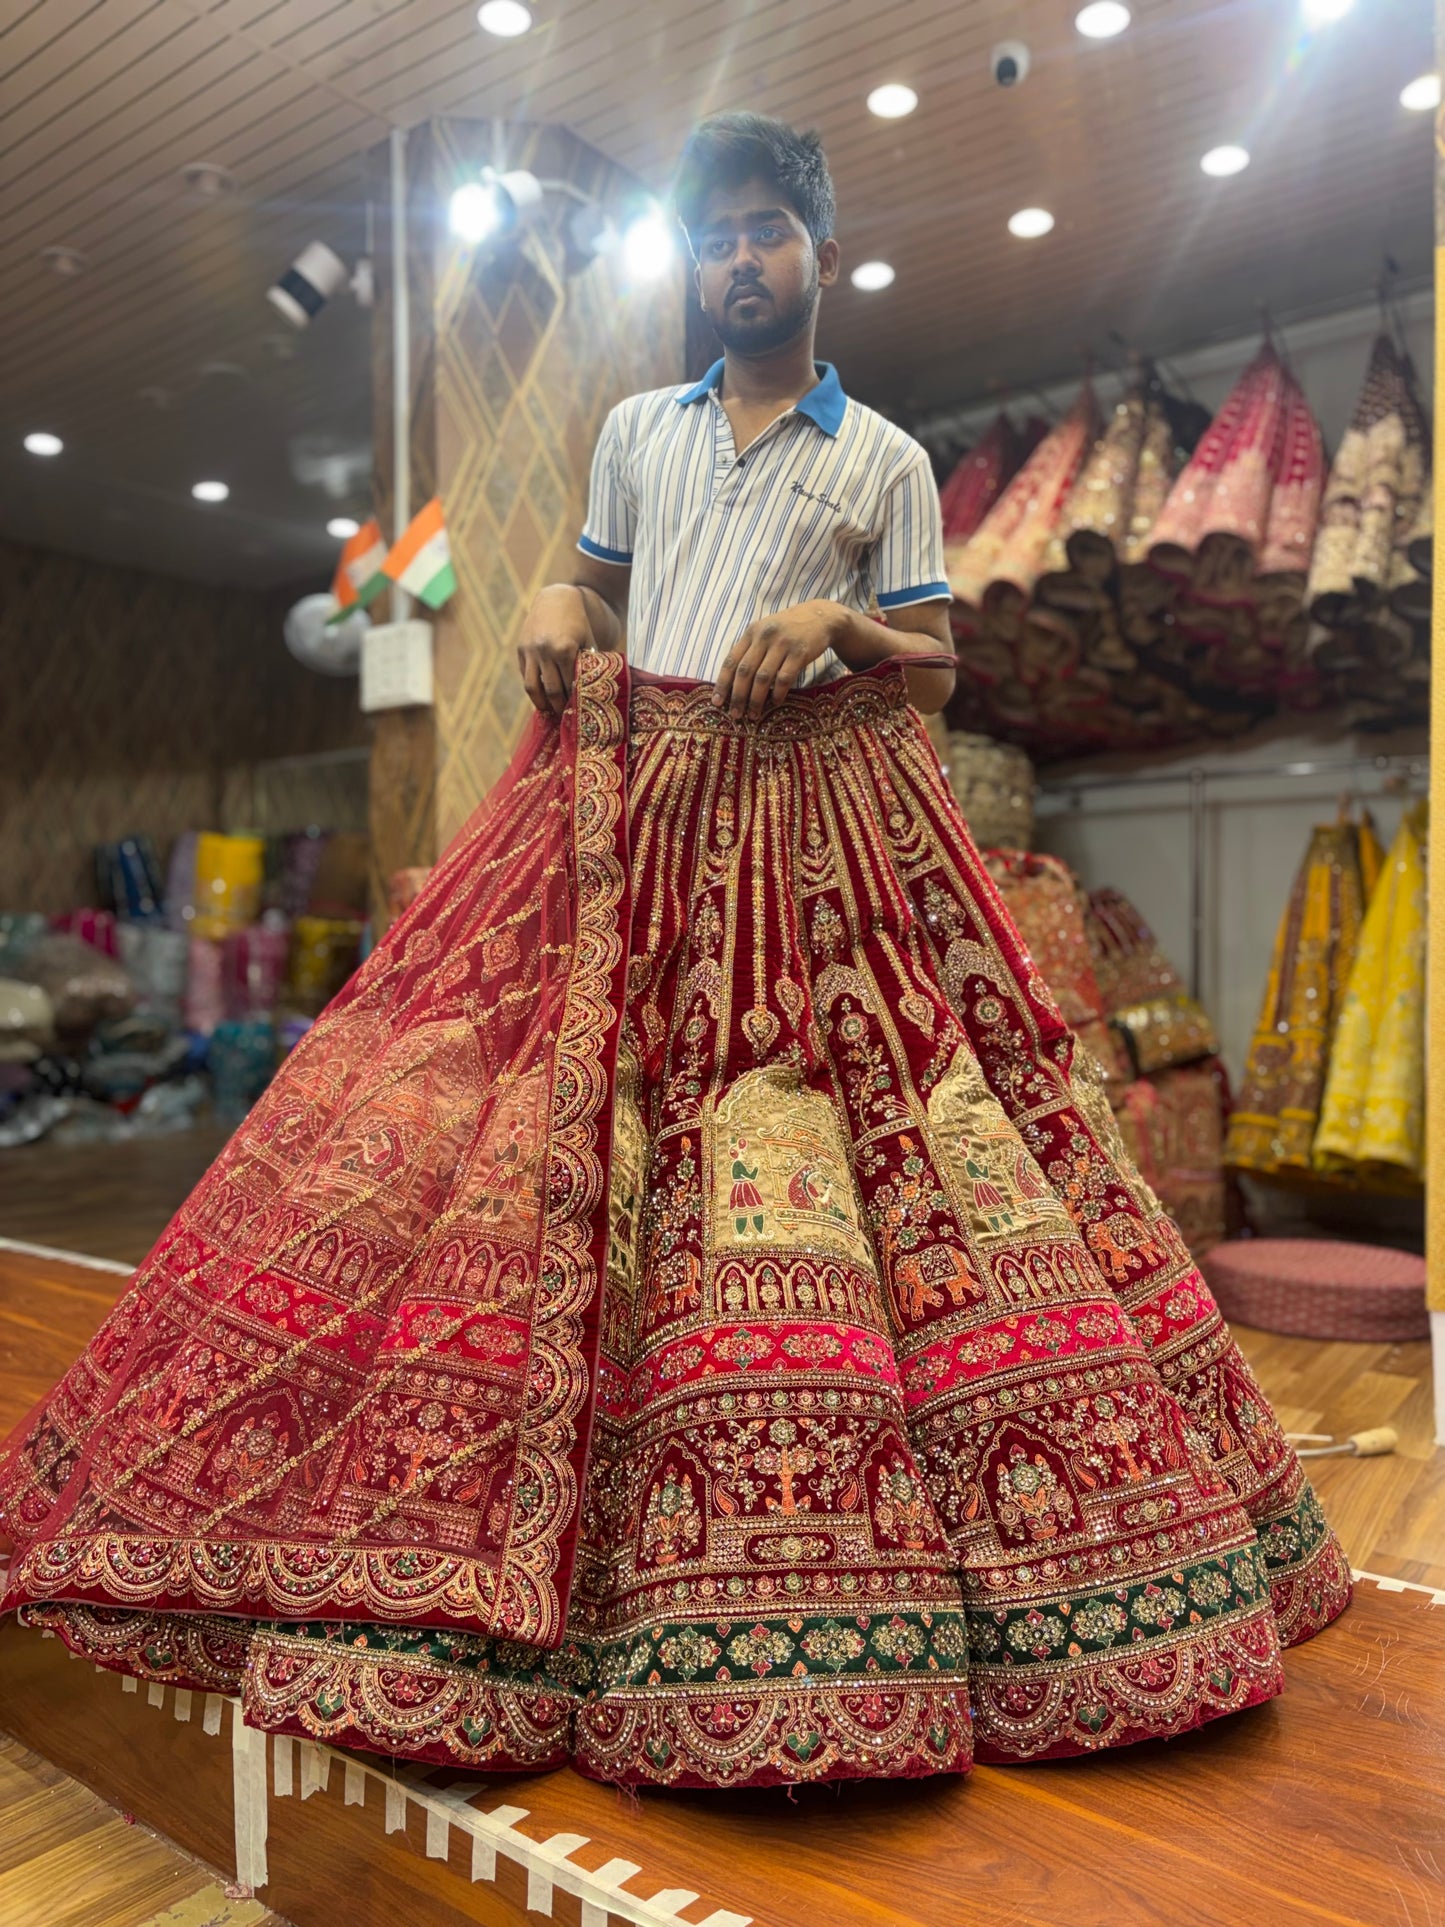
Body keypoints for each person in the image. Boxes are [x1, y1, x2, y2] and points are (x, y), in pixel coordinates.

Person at [0, 114, 1348, 1792]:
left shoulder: (886, 460)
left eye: (764, 231)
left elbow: (932, 673)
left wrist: (840, 625)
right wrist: (561, 617)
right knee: (573, 1133)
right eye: (709, 236)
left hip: (818, 844)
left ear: (815, 252)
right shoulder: (638, 430)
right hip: (638, 825)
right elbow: (587, 592)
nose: (733, 261)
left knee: (855, 1135)